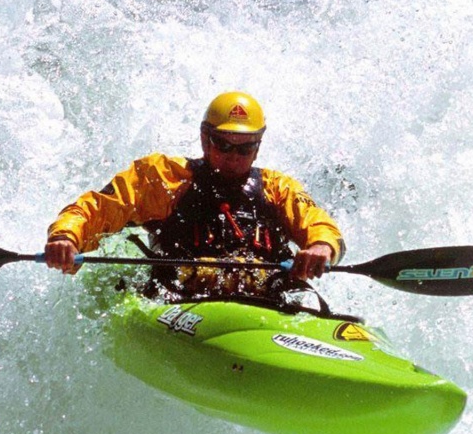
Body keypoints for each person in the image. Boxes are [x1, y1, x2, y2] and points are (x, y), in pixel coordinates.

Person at [44, 92, 343, 299]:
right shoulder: (163, 178)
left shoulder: (278, 188)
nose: (233, 157)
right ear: (204, 138)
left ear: (258, 145)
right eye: (223, 145)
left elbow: (320, 227)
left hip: (269, 300)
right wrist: (66, 238)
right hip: (181, 299)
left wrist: (320, 248)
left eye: (245, 148)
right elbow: (95, 209)